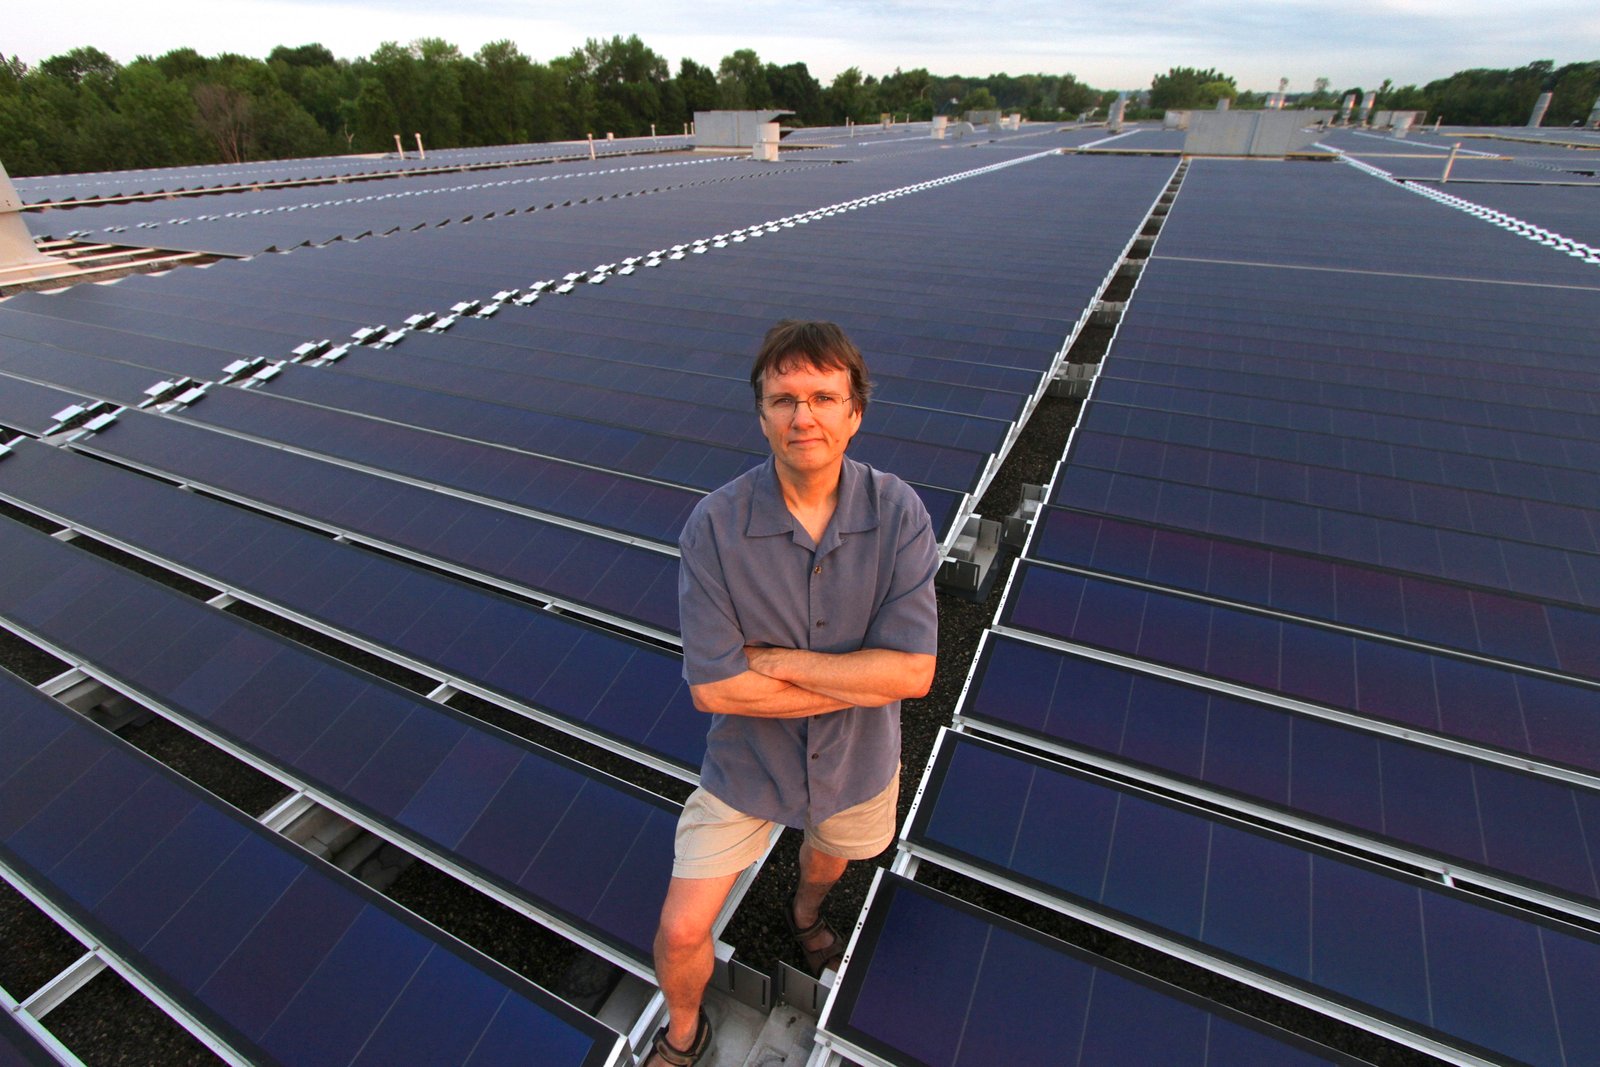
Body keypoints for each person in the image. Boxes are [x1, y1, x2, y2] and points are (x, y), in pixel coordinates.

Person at [646, 320, 939, 1066]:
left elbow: (912, 674)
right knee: (683, 929)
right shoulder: (714, 526)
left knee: (825, 865)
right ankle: (683, 1034)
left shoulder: (898, 511)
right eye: (783, 399)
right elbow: (714, 689)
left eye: (821, 396)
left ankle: (805, 912)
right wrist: (853, 678)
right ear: (761, 413)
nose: (802, 416)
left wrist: (776, 662)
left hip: (855, 765)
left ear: (854, 411)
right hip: (747, 767)